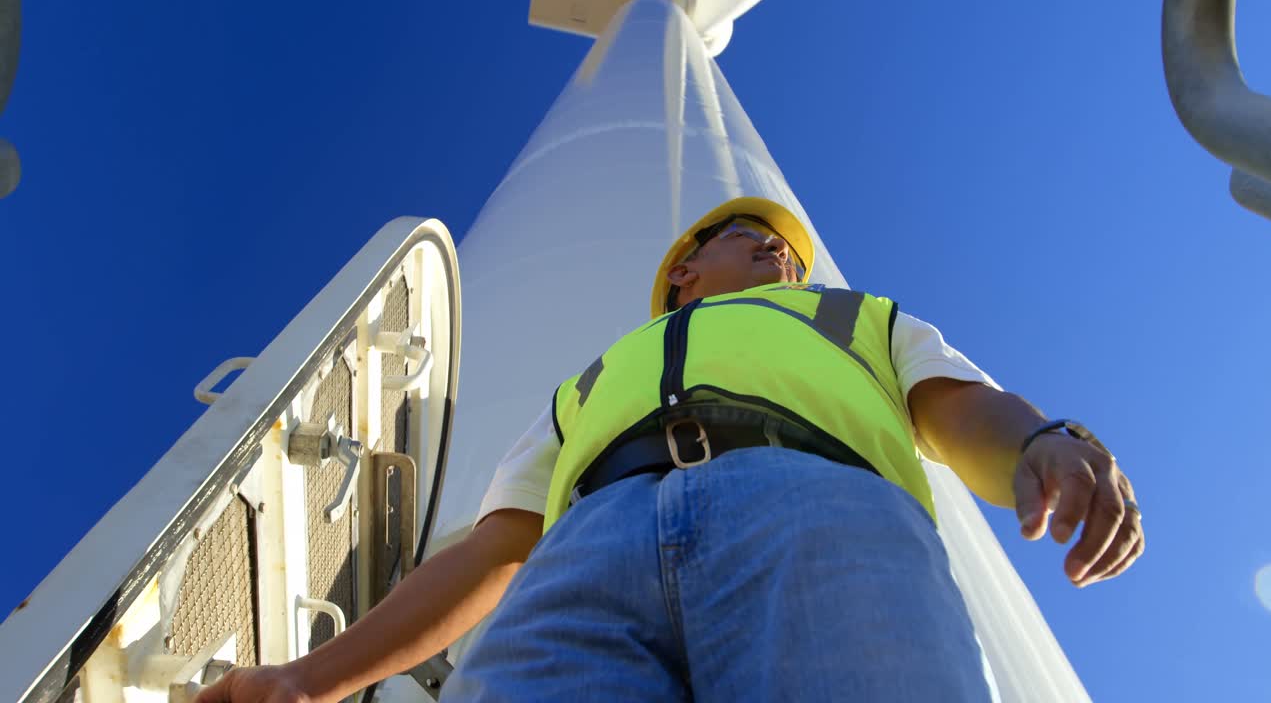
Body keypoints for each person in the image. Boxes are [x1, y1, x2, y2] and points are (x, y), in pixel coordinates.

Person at [197, 197, 1144, 702]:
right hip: (585, 551)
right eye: (755, 240)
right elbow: (495, 549)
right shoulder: (588, 386)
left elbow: (955, 407)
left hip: (817, 511)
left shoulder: (859, 318)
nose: (785, 256)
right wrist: (314, 681)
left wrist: (1039, 440)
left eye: (789, 253)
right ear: (686, 270)